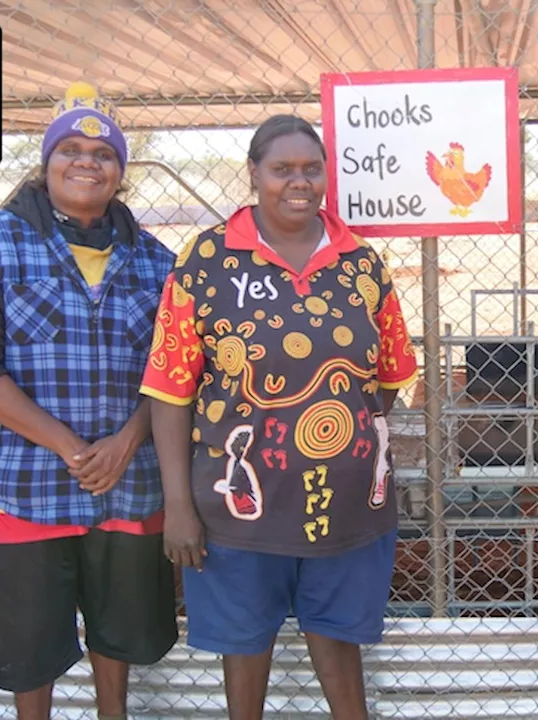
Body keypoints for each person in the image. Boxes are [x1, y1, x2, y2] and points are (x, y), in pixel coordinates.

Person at [140, 114, 419, 720]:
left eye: (311, 169)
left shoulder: (363, 265)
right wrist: (179, 506)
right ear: (254, 175)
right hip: (237, 508)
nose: (300, 181)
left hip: (341, 504)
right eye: (282, 169)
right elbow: (168, 389)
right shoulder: (207, 258)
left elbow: (390, 376)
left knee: (338, 642)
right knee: (244, 649)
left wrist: (335, 433)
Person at [0, 82, 177, 720]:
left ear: (121, 173)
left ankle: (112, 714)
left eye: (104, 153)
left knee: (119, 628)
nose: (86, 161)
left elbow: (176, 367)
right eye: (70, 148)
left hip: (128, 479)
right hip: (26, 483)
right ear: (46, 163)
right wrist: (69, 445)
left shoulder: (157, 262)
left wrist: (127, 441)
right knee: (31, 641)